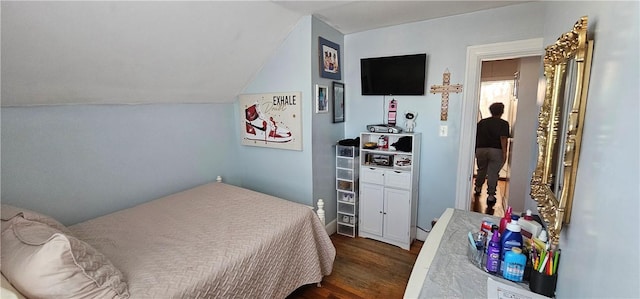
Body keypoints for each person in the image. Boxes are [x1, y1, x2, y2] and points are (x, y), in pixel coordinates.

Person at [474, 102, 510, 204]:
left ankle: (477, 187)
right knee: (493, 173)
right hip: (496, 150)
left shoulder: (482, 123)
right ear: (502, 111)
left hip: (481, 149)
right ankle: (490, 195)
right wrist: (504, 152)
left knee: (481, 169)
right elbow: (503, 138)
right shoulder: (504, 124)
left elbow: (476, 136)